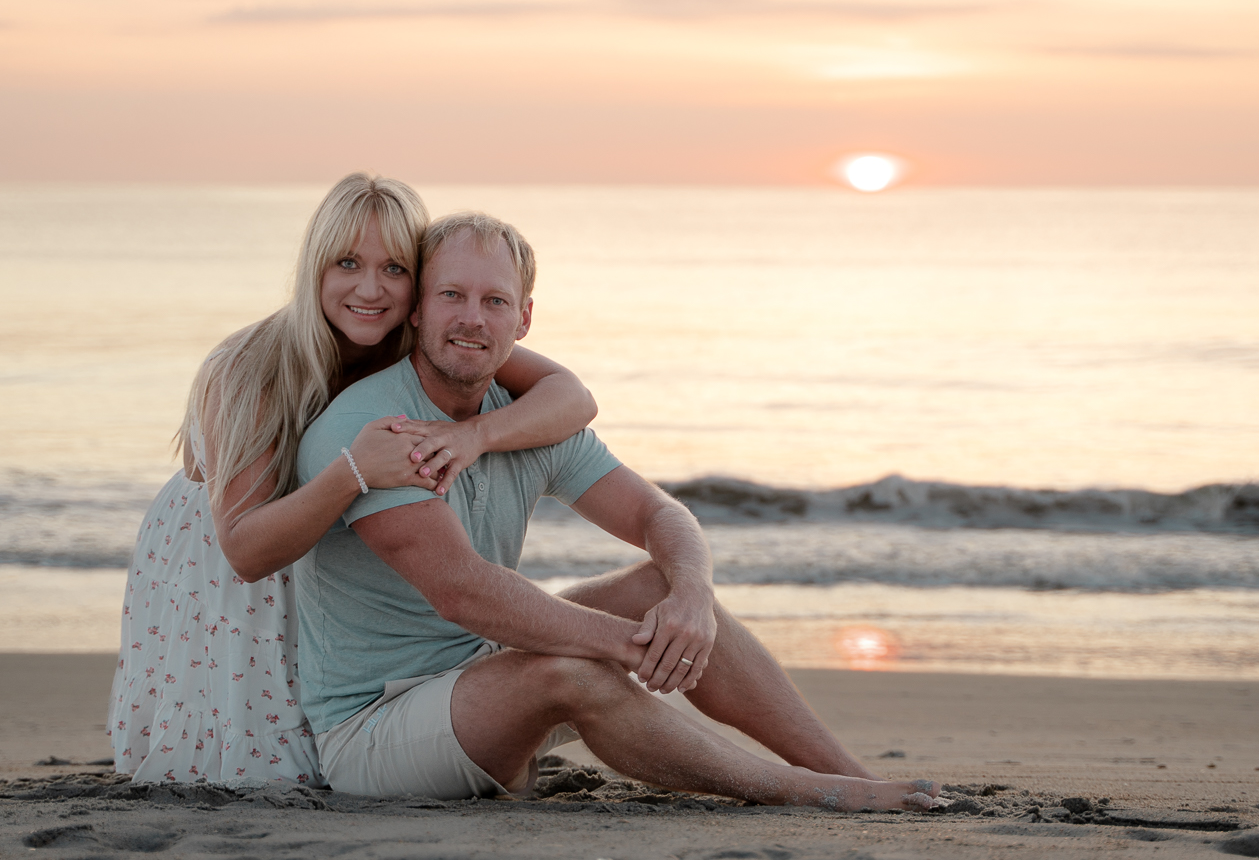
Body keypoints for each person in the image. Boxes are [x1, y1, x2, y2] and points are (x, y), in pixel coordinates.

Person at [293, 211, 940, 810]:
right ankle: (802, 791)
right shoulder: (376, 428)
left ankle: (853, 774)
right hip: (377, 730)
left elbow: (660, 515)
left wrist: (690, 598)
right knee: (572, 671)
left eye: (494, 301)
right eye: (452, 296)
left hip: (482, 676)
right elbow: (463, 593)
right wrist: (634, 649)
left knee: (663, 585)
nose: (472, 318)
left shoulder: (523, 419)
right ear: (417, 310)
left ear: (522, 321)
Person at [108, 174, 598, 785]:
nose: (371, 289)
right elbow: (244, 550)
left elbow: (572, 397)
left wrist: (477, 436)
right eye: (347, 263)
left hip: (333, 552)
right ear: (315, 268)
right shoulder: (253, 368)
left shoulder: (413, 339)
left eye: (393, 268)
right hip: (230, 537)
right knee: (259, 755)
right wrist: (353, 473)